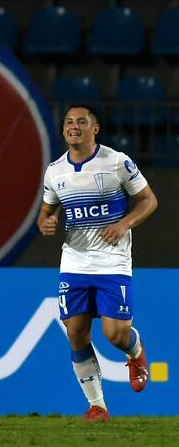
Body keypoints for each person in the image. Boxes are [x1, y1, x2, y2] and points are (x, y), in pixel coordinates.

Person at [37, 104, 157, 422]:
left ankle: (135, 351)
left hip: (112, 263)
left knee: (115, 334)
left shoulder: (117, 162)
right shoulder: (55, 171)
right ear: (63, 130)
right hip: (74, 262)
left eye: (81, 121)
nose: (74, 126)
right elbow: (47, 211)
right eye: (68, 122)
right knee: (75, 332)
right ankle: (97, 406)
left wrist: (124, 224)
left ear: (95, 128)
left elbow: (149, 200)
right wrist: (45, 222)